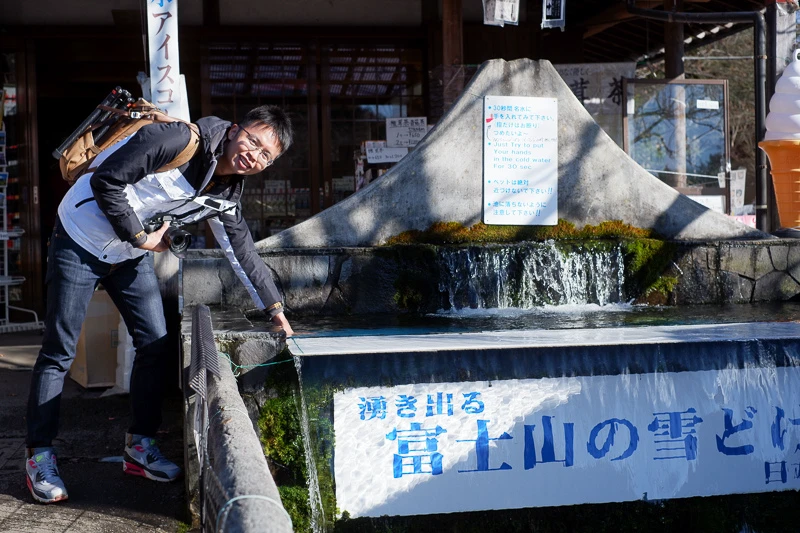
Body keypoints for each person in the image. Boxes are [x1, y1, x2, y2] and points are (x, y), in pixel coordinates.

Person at [25, 104, 294, 504]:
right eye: (253, 140)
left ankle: (139, 446)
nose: (253, 155)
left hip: (128, 255)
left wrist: (277, 313)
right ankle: (38, 455)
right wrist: (139, 238)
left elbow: (243, 254)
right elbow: (107, 182)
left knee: (156, 344)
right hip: (79, 238)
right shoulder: (180, 141)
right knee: (59, 351)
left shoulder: (225, 193)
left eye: (265, 155)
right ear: (236, 130)